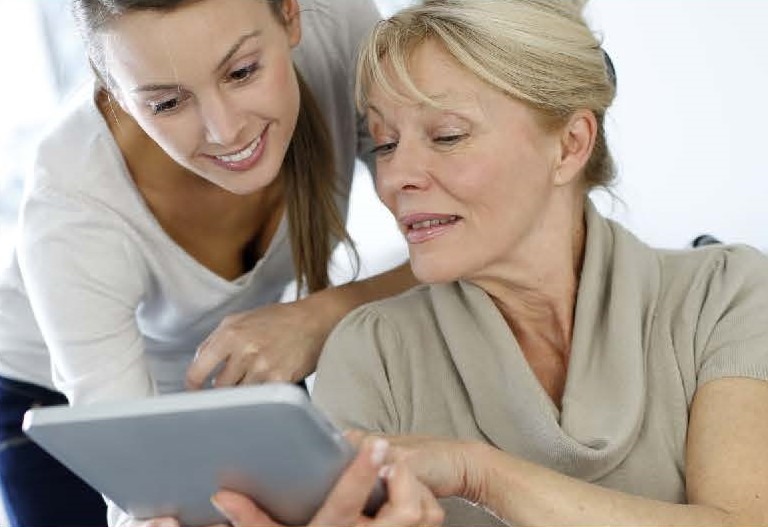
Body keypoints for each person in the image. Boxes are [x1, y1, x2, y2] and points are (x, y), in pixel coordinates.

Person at [212, 0, 768, 525]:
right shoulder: (371, 352)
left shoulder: (723, 295)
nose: (395, 177)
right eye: (384, 143)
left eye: (447, 136)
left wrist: (478, 474)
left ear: (570, 145)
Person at [0, 0, 418, 525]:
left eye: (242, 72)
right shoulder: (73, 212)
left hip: (228, 363)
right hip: (57, 398)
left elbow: (476, 234)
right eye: (168, 103)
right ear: (112, 89)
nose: (226, 132)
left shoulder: (338, 31)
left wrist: (325, 316)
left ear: (290, 16)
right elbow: (136, 502)